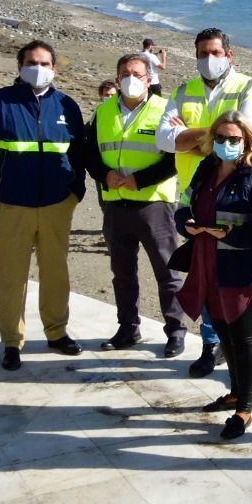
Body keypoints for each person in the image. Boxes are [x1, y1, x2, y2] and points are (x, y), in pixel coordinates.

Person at [156, 27, 252, 378]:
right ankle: (210, 347)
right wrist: (212, 136)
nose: (208, 59)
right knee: (208, 280)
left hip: (244, 198)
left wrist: (189, 136)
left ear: (229, 55)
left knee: (248, 287)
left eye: (215, 53)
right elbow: (164, 139)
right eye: (202, 53)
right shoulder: (184, 91)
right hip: (201, 196)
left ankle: (251, 358)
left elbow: (245, 134)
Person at [0, 40, 86, 370]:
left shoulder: (67, 105)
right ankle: (12, 341)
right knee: (11, 278)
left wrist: (76, 191)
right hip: (9, 205)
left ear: (54, 68)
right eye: (32, 62)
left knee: (56, 274)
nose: (38, 68)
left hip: (57, 205)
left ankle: (57, 332)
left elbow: (79, 152)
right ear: (19, 67)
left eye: (45, 63)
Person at [78, 54, 187, 358]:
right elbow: (89, 153)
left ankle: (175, 331)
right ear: (117, 78)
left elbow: (174, 158)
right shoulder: (102, 112)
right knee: (122, 273)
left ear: (149, 79)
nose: (131, 78)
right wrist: (104, 175)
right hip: (115, 204)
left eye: (137, 74)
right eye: (125, 73)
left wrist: (139, 180)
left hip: (153, 204)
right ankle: (128, 328)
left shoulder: (165, 110)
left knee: (167, 272)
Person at [177, 110, 252, 439]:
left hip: (243, 270)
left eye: (234, 139)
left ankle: (244, 409)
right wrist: (186, 224)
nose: (226, 143)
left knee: (244, 339)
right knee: (223, 333)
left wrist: (229, 234)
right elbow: (184, 203)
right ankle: (234, 392)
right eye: (220, 138)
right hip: (208, 264)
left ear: (246, 141)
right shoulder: (206, 168)